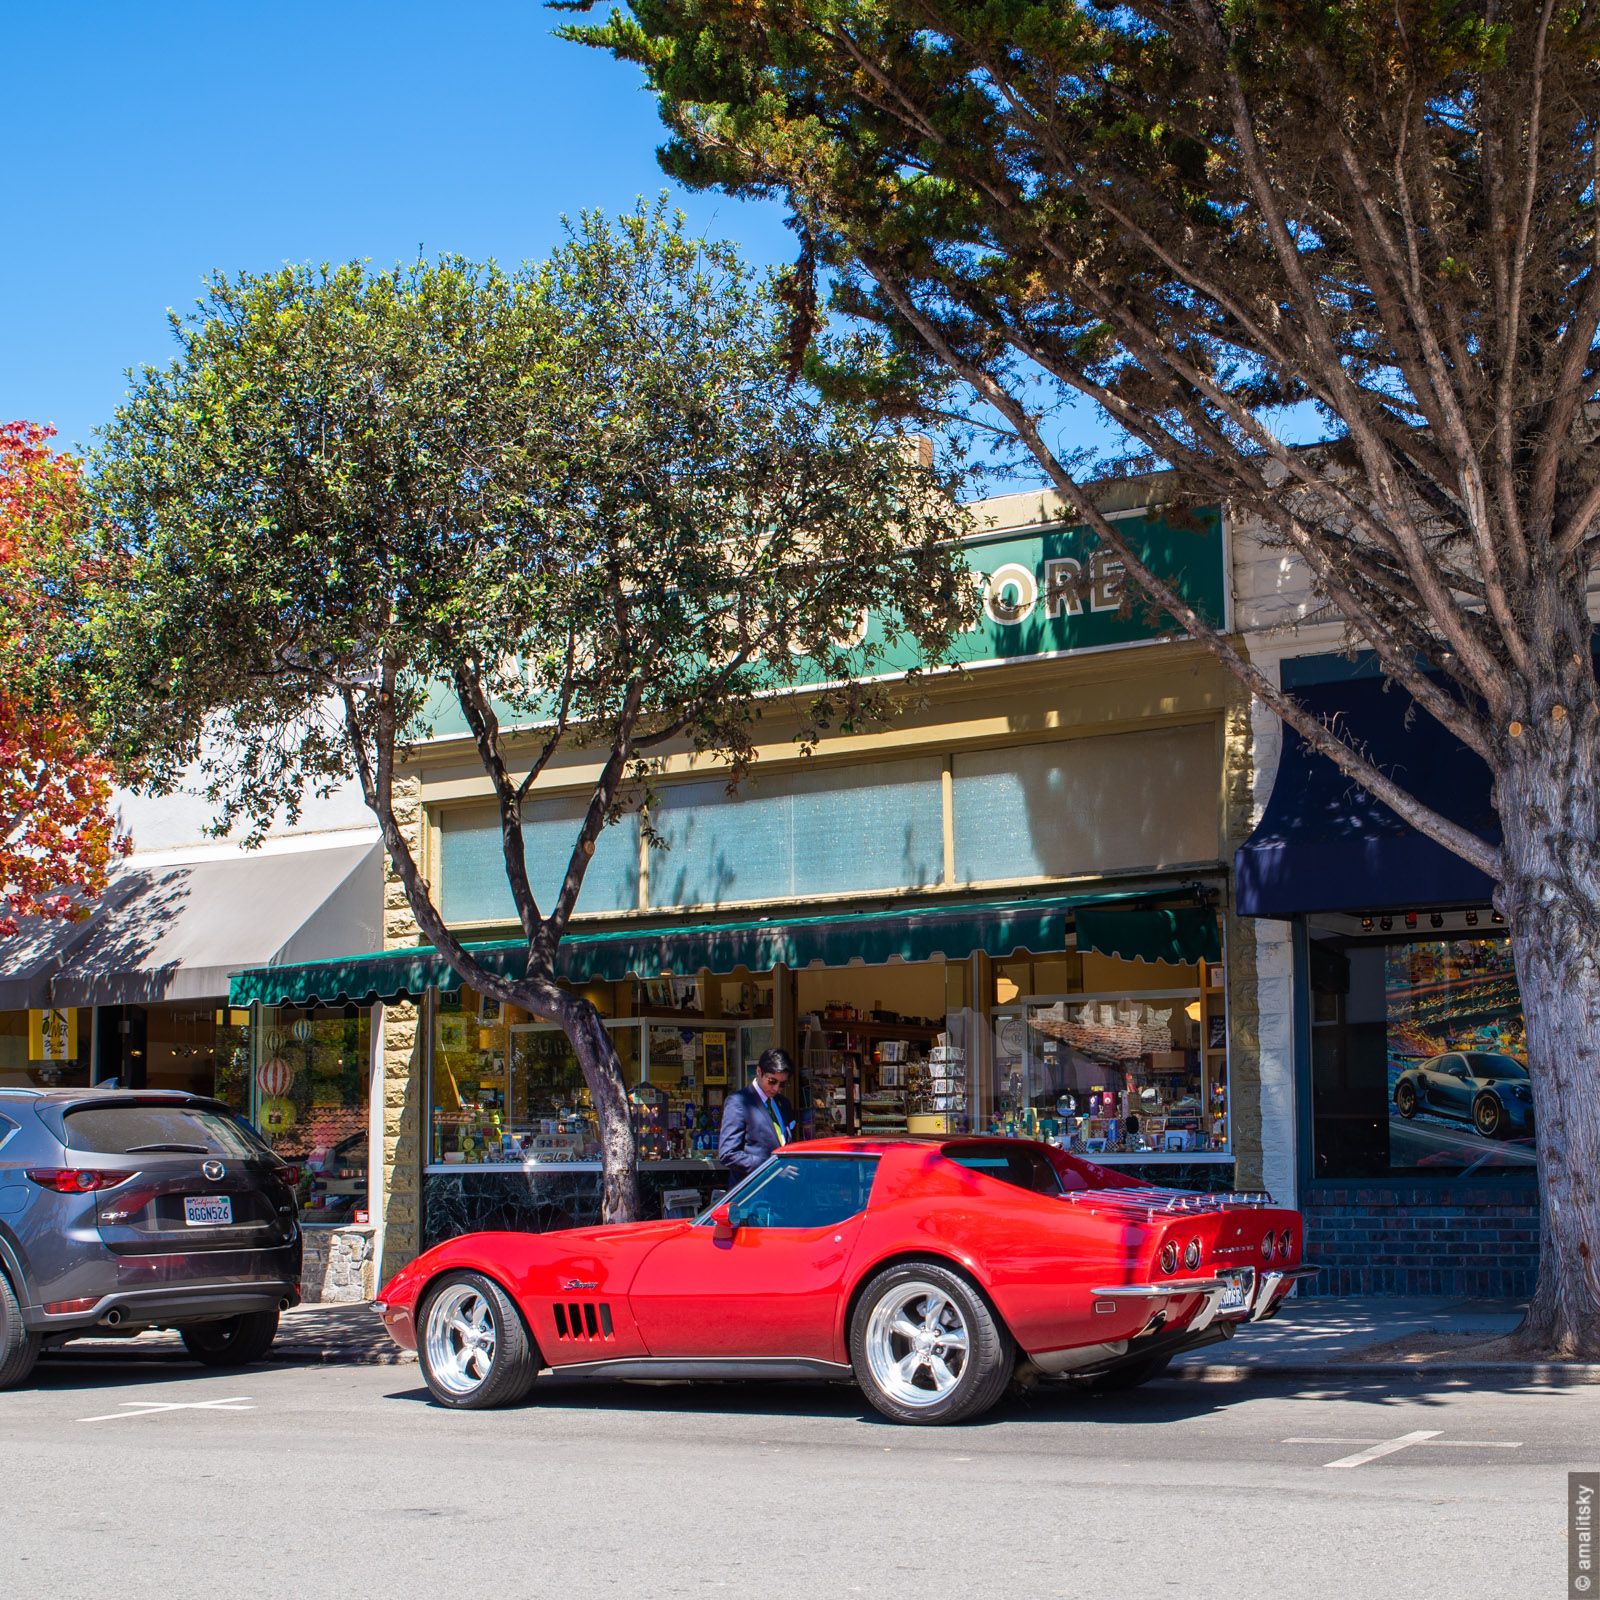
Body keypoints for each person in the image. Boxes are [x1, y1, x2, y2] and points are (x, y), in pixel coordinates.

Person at [717, 1047, 796, 1184]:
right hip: (752, 1193)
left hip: (782, 1192)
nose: (776, 1088)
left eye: (782, 1084)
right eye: (772, 1081)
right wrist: (772, 1168)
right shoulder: (739, 1102)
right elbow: (728, 1154)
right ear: (759, 1072)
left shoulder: (783, 1103)